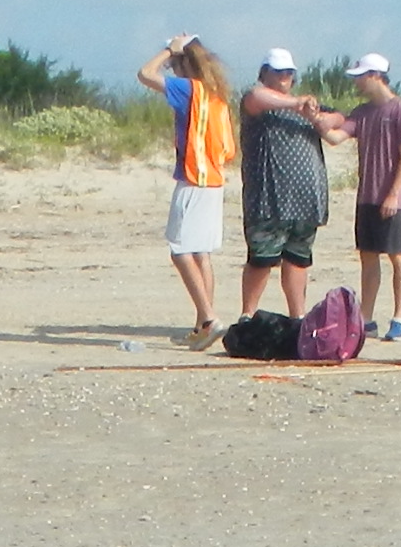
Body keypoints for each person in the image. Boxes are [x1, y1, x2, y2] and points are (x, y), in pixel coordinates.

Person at [132, 35, 236, 344]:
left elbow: (145, 75)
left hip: (194, 178)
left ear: (182, 63)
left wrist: (167, 50)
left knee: (179, 250)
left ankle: (208, 317)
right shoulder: (217, 94)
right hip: (214, 179)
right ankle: (202, 325)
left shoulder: (189, 89)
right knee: (200, 252)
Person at [236, 48, 346, 322]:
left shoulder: (305, 108)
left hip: (306, 200)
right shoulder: (259, 103)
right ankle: (247, 315)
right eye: (278, 72)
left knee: (298, 259)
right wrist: (296, 102)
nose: (284, 77)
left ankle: (298, 317)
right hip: (269, 198)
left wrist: (318, 118)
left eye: (288, 73)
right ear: (265, 73)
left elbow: (339, 117)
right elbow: (255, 97)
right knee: (261, 260)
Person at [345, 53, 401, 341]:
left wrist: (393, 193)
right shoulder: (362, 112)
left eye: (360, 76)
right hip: (366, 196)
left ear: (375, 76)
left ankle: (399, 318)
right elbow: (338, 134)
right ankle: (367, 318)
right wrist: (314, 116)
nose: (357, 82)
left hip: (391, 198)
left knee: (397, 255)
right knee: (368, 257)